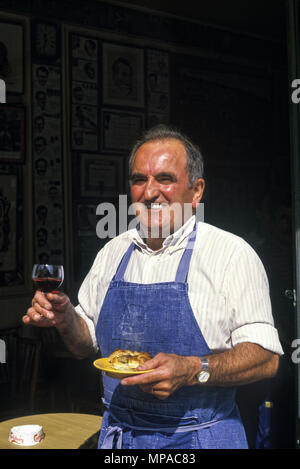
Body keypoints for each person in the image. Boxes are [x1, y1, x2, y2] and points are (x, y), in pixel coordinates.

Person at [23, 125, 283, 450]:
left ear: (197, 190)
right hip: (119, 438)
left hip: (200, 439)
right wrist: (65, 320)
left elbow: (266, 359)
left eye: (165, 179)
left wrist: (192, 370)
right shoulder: (112, 253)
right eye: (139, 180)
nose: (149, 192)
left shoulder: (231, 255)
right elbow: (84, 344)